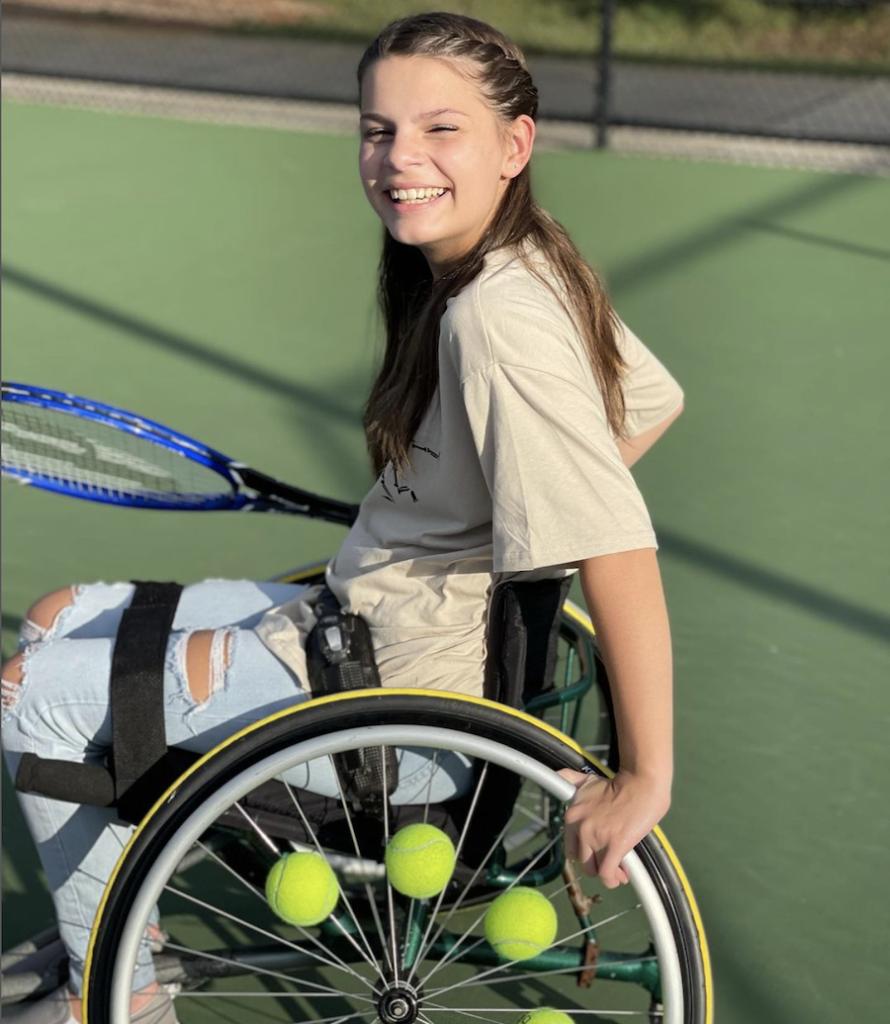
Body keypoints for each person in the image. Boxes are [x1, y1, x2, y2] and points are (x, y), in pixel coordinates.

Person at [1, 12, 683, 1023]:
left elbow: (613, 539)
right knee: (57, 615)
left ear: (514, 143)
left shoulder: (496, 316)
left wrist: (641, 775)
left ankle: (120, 990)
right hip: (366, 621)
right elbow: (646, 400)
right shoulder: (527, 257)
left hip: (390, 700)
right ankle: (114, 930)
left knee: (29, 697)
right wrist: (477, 525)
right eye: (379, 129)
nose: (400, 157)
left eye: (439, 129)